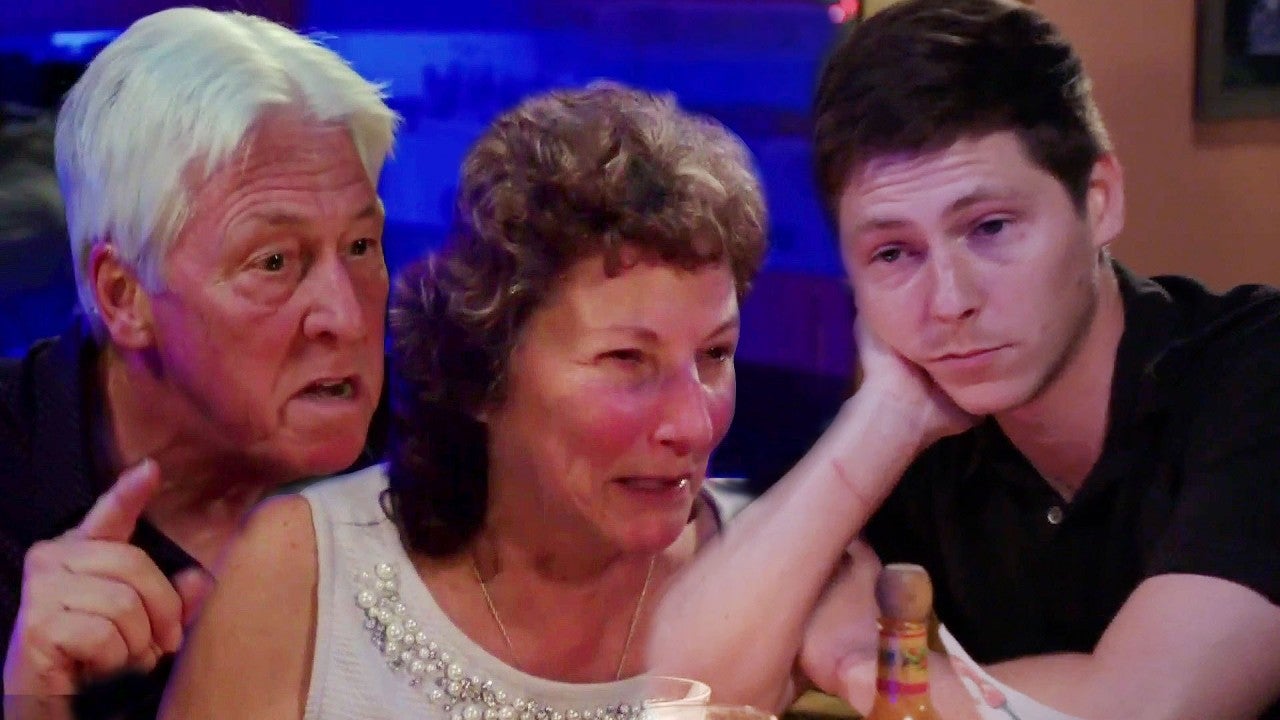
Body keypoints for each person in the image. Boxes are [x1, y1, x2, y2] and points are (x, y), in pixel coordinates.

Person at [649, 1, 1280, 718]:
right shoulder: (923, 433)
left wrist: (864, 665)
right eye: (894, 253)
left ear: (1099, 201)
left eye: (990, 227)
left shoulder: (1255, 373)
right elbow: (691, 690)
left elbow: (1144, 709)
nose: (949, 301)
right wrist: (886, 416)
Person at [158, 82, 768, 719]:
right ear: (482, 370)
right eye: (626, 361)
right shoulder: (300, 574)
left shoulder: (779, 572)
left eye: (715, 354)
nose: (693, 425)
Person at [0, 7, 397, 718]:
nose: (345, 316)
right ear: (123, 296)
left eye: (361, 247)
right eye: (274, 262)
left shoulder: (440, 455)